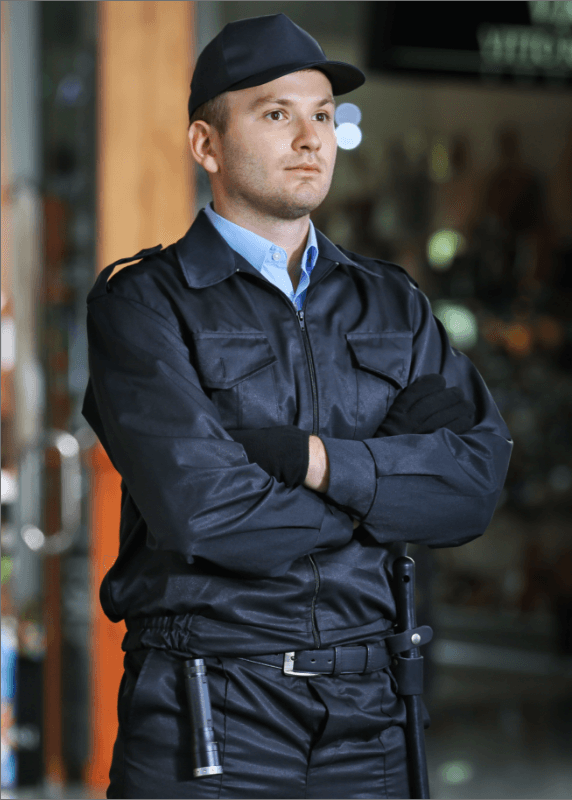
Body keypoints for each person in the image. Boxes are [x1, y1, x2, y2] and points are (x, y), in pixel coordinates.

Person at [81, 13, 512, 799]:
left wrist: (312, 460)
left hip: (371, 713)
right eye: (277, 114)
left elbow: (474, 484)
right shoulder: (145, 305)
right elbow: (204, 513)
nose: (312, 137)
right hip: (209, 707)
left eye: (322, 115)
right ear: (205, 145)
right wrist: (387, 495)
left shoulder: (392, 304)